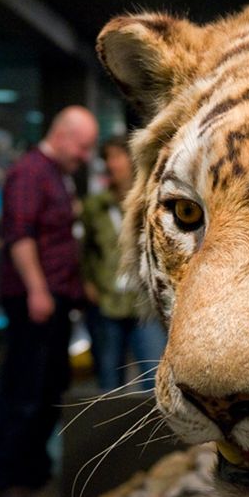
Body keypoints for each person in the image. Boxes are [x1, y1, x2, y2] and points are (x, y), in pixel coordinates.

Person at [0, 105, 98, 497]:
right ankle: (11, 476)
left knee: (48, 386)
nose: (85, 156)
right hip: (34, 302)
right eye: (83, 147)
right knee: (24, 388)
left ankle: (33, 468)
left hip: (55, 302)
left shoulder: (55, 175)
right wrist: (37, 288)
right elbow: (19, 234)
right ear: (63, 135)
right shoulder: (29, 172)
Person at [81, 136, 166, 392]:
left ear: (131, 160)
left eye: (116, 157)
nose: (110, 164)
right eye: (106, 158)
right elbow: (86, 250)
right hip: (108, 302)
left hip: (144, 305)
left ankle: (149, 432)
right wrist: (88, 283)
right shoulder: (94, 206)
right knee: (109, 379)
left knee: (154, 377)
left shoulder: (152, 201)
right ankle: (112, 433)